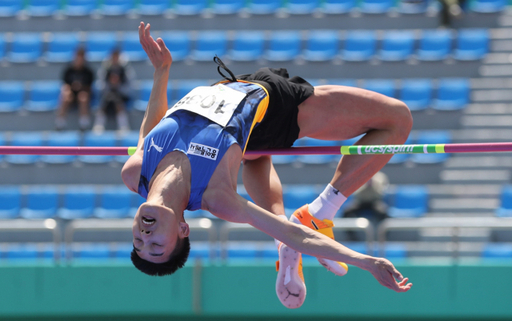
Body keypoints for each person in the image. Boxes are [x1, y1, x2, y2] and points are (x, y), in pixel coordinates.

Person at [122, 22, 413, 308]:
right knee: (397, 119)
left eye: (138, 242)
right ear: (183, 230)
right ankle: (321, 211)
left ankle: (283, 240)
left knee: (255, 155)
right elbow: (295, 236)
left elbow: (149, 132)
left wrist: (162, 72)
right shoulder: (216, 197)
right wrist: (367, 262)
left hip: (235, 100)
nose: (145, 238)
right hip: (274, 107)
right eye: (157, 247)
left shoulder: (135, 174)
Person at [93, 48, 135, 133]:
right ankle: (98, 126)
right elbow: (100, 85)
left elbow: (130, 86)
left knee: (118, 101)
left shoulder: (125, 70)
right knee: (105, 100)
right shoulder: (106, 69)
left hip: (122, 95)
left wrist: (118, 86)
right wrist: (111, 85)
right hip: (107, 95)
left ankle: (123, 126)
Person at [55, 48, 95, 131]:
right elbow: (65, 85)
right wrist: (72, 87)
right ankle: (60, 122)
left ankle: (83, 123)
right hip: (71, 95)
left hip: (83, 94)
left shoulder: (88, 72)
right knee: (65, 95)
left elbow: (89, 87)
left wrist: (81, 87)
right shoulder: (69, 70)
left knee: (83, 97)